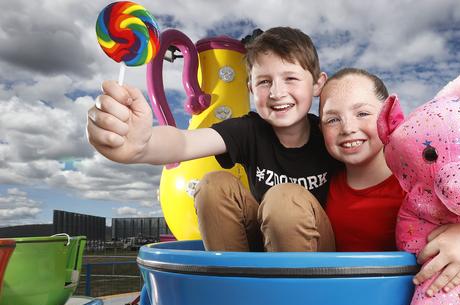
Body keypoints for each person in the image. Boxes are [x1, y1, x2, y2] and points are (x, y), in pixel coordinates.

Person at [87, 27, 341, 253]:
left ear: (317, 84)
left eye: (291, 78)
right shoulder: (250, 129)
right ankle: (235, 286)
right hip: (265, 246)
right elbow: (185, 143)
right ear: (250, 88)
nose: (277, 92)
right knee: (213, 184)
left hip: (318, 256)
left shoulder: (328, 133)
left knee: (284, 199)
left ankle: (296, 297)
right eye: (264, 82)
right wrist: (142, 145)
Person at [319, 68, 460, 295]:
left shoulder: (426, 180)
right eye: (332, 119)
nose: (348, 128)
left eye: (362, 114)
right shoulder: (324, 184)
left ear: (387, 118)